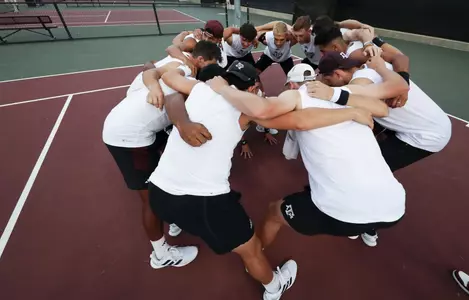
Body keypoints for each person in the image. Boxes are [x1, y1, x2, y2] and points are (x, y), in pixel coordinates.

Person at [150, 60, 377, 299]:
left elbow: (168, 78)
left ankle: (170, 238)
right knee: (252, 251)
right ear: (250, 90)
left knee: (180, 212)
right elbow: (300, 119)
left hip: (158, 190)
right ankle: (273, 286)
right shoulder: (247, 111)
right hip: (206, 203)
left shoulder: (198, 89)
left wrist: (182, 69)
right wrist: (349, 111)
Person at [205, 59, 407, 252]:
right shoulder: (342, 92)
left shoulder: (295, 96)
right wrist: (350, 111)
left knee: (274, 212)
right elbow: (383, 109)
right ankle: (367, 230)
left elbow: (265, 110)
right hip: (395, 206)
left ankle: (257, 253)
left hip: (342, 209)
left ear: (292, 84)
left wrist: (224, 89)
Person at [101, 41, 221, 269]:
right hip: (128, 138)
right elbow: (173, 96)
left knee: (166, 165)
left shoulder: (179, 67)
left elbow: (148, 66)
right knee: (150, 199)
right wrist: (182, 122)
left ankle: (173, 216)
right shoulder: (188, 79)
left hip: (131, 127)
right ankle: (161, 254)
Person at [307, 47, 452, 173]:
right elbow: (400, 57)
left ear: (338, 74)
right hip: (430, 120)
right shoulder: (367, 63)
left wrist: (330, 93)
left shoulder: (361, 82)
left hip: (426, 135)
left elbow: (382, 105)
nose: (331, 85)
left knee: (371, 168)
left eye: (329, 82)